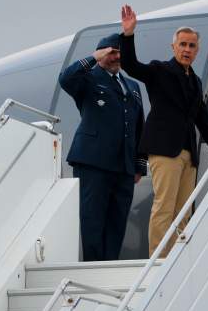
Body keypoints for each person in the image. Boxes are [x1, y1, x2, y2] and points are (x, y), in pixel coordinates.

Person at [117, 4, 208, 257]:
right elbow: (131, 65)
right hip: (165, 151)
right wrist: (128, 35)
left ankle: (177, 259)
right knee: (164, 207)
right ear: (173, 47)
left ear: (197, 50)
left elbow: (204, 123)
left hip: (189, 155)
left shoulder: (195, 81)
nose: (187, 49)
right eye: (183, 44)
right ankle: (159, 260)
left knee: (184, 212)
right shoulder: (159, 71)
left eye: (191, 46)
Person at [58, 33, 146, 262]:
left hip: (123, 167)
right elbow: (65, 79)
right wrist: (94, 57)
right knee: (93, 220)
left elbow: (139, 125)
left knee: (117, 222)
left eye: (119, 52)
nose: (116, 57)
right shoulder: (88, 79)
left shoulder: (132, 86)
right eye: (111, 52)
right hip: (93, 162)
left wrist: (139, 164)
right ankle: (93, 269)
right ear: (101, 54)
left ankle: (109, 267)